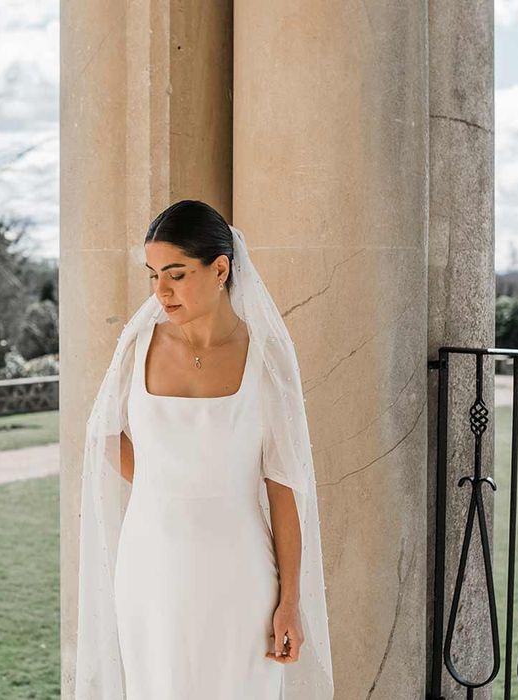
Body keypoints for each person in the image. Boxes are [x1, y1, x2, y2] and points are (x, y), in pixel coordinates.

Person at [74, 200, 334, 699]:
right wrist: (163, 483)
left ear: (220, 268)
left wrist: (290, 602)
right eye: (153, 275)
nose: (161, 291)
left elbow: (284, 490)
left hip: (240, 571)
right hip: (151, 567)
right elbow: (103, 434)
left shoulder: (266, 356)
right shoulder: (138, 345)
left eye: (176, 273)